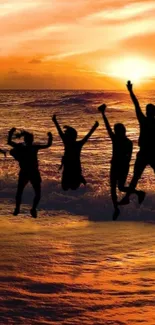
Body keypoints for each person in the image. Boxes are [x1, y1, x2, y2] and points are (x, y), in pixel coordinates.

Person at [98, 103, 143, 220]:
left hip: (120, 167)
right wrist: (103, 114)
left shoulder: (122, 141)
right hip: (119, 166)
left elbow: (128, 157)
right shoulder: (122, 140)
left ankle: (136, 194)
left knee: (118, 188)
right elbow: (107, 127)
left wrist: (103, 113)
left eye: (116, 130)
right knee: (117, 188)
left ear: (120, 131)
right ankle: (117, 207)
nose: (115, 131)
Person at [119, 80, 154, 206]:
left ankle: (128, 197)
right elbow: (136, 105)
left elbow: (136, 105)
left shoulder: (144, 121)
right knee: (135, 176)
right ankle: (127, 197)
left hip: (148, 153)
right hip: (145, 153)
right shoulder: (144, 121)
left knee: (135, 177)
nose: (148, 113)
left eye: (149, 111)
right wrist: (131, 91)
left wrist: (130, 91)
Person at [8, 127, 52, 218]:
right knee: (36, 193)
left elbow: (9, 142)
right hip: (32, 172)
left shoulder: (22, 147)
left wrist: (10, 133)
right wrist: (50, 137)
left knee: (20, 192)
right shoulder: (33, 147)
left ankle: (18, 208)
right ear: (31, 140)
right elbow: (48, 145)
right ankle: (32, 208)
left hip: (26, 172)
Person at [52, 114, 99, 190]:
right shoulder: (70, 143)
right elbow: (60, 132)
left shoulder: (74, 144)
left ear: (71, 136)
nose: (65, 135)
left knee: (73, 187)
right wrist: (55, 121)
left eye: (66, 134)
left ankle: (79, 177)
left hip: (75, 168)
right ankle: (79, 177)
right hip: (68, 167)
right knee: (65, 187)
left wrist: (95, 127)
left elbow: (88, 136)